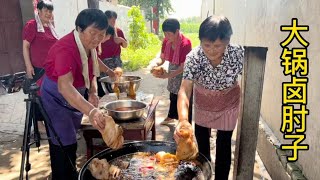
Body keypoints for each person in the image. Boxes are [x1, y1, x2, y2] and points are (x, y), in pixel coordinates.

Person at [40, 9, 115, 179]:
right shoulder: (65, 48)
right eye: (93, 33)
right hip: (56, 97)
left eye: (101, 34)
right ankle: (62, 175)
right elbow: (64, 87)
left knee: (71, 136)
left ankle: (70, 171)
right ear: (79, 29)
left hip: (75, 95)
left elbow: (92, 71)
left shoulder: (90, 46)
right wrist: (91, 110)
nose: (97, 39)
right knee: (63, 142)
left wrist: (93, 91)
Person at [175, 15, 244, 180]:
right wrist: (183, 120)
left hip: (228, 103)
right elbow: (185, 90)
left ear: (227, 41)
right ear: (200, 41)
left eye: (217, 45)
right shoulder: (194, 57)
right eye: (206, 45)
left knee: (224, 145)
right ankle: (204, 176)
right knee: (202, 145)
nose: (212, 50)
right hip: (203, 104)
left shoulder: (238, 54)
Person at [22, 0, 58, 133]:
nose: (48, 13)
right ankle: (39, 125)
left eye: (50, 11)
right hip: (38, 69)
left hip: (51, 69)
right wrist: (28, 66)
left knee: (50, 95)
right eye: (46, 10)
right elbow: (25, 46)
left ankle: (49, 122)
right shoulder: (31, 25)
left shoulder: (50, 27)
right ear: (39, 10)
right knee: (38, 96)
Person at [153, 18, 192, 125]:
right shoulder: (166, 41)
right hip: (173, 68)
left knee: (183, 96)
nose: (166, 37)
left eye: (169, 34)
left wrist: (168, 75)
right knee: (172, 94)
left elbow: (183, 67)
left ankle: (184, 123)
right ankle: (171, 116)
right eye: (165, 34)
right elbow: (162, 58)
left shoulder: (186, 43)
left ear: (177, 31)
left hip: (185, 72)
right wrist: (156, 64)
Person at [97, 10, 127, 97]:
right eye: (110, 20)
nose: (112, 22)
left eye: (114, 20)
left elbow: (125, 45)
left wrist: (121, 40)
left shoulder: (118, 32)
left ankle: (118, 97)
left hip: (115, 60)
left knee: (117, 82)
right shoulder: (100, 33)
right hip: (102, 62)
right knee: (105, 83)